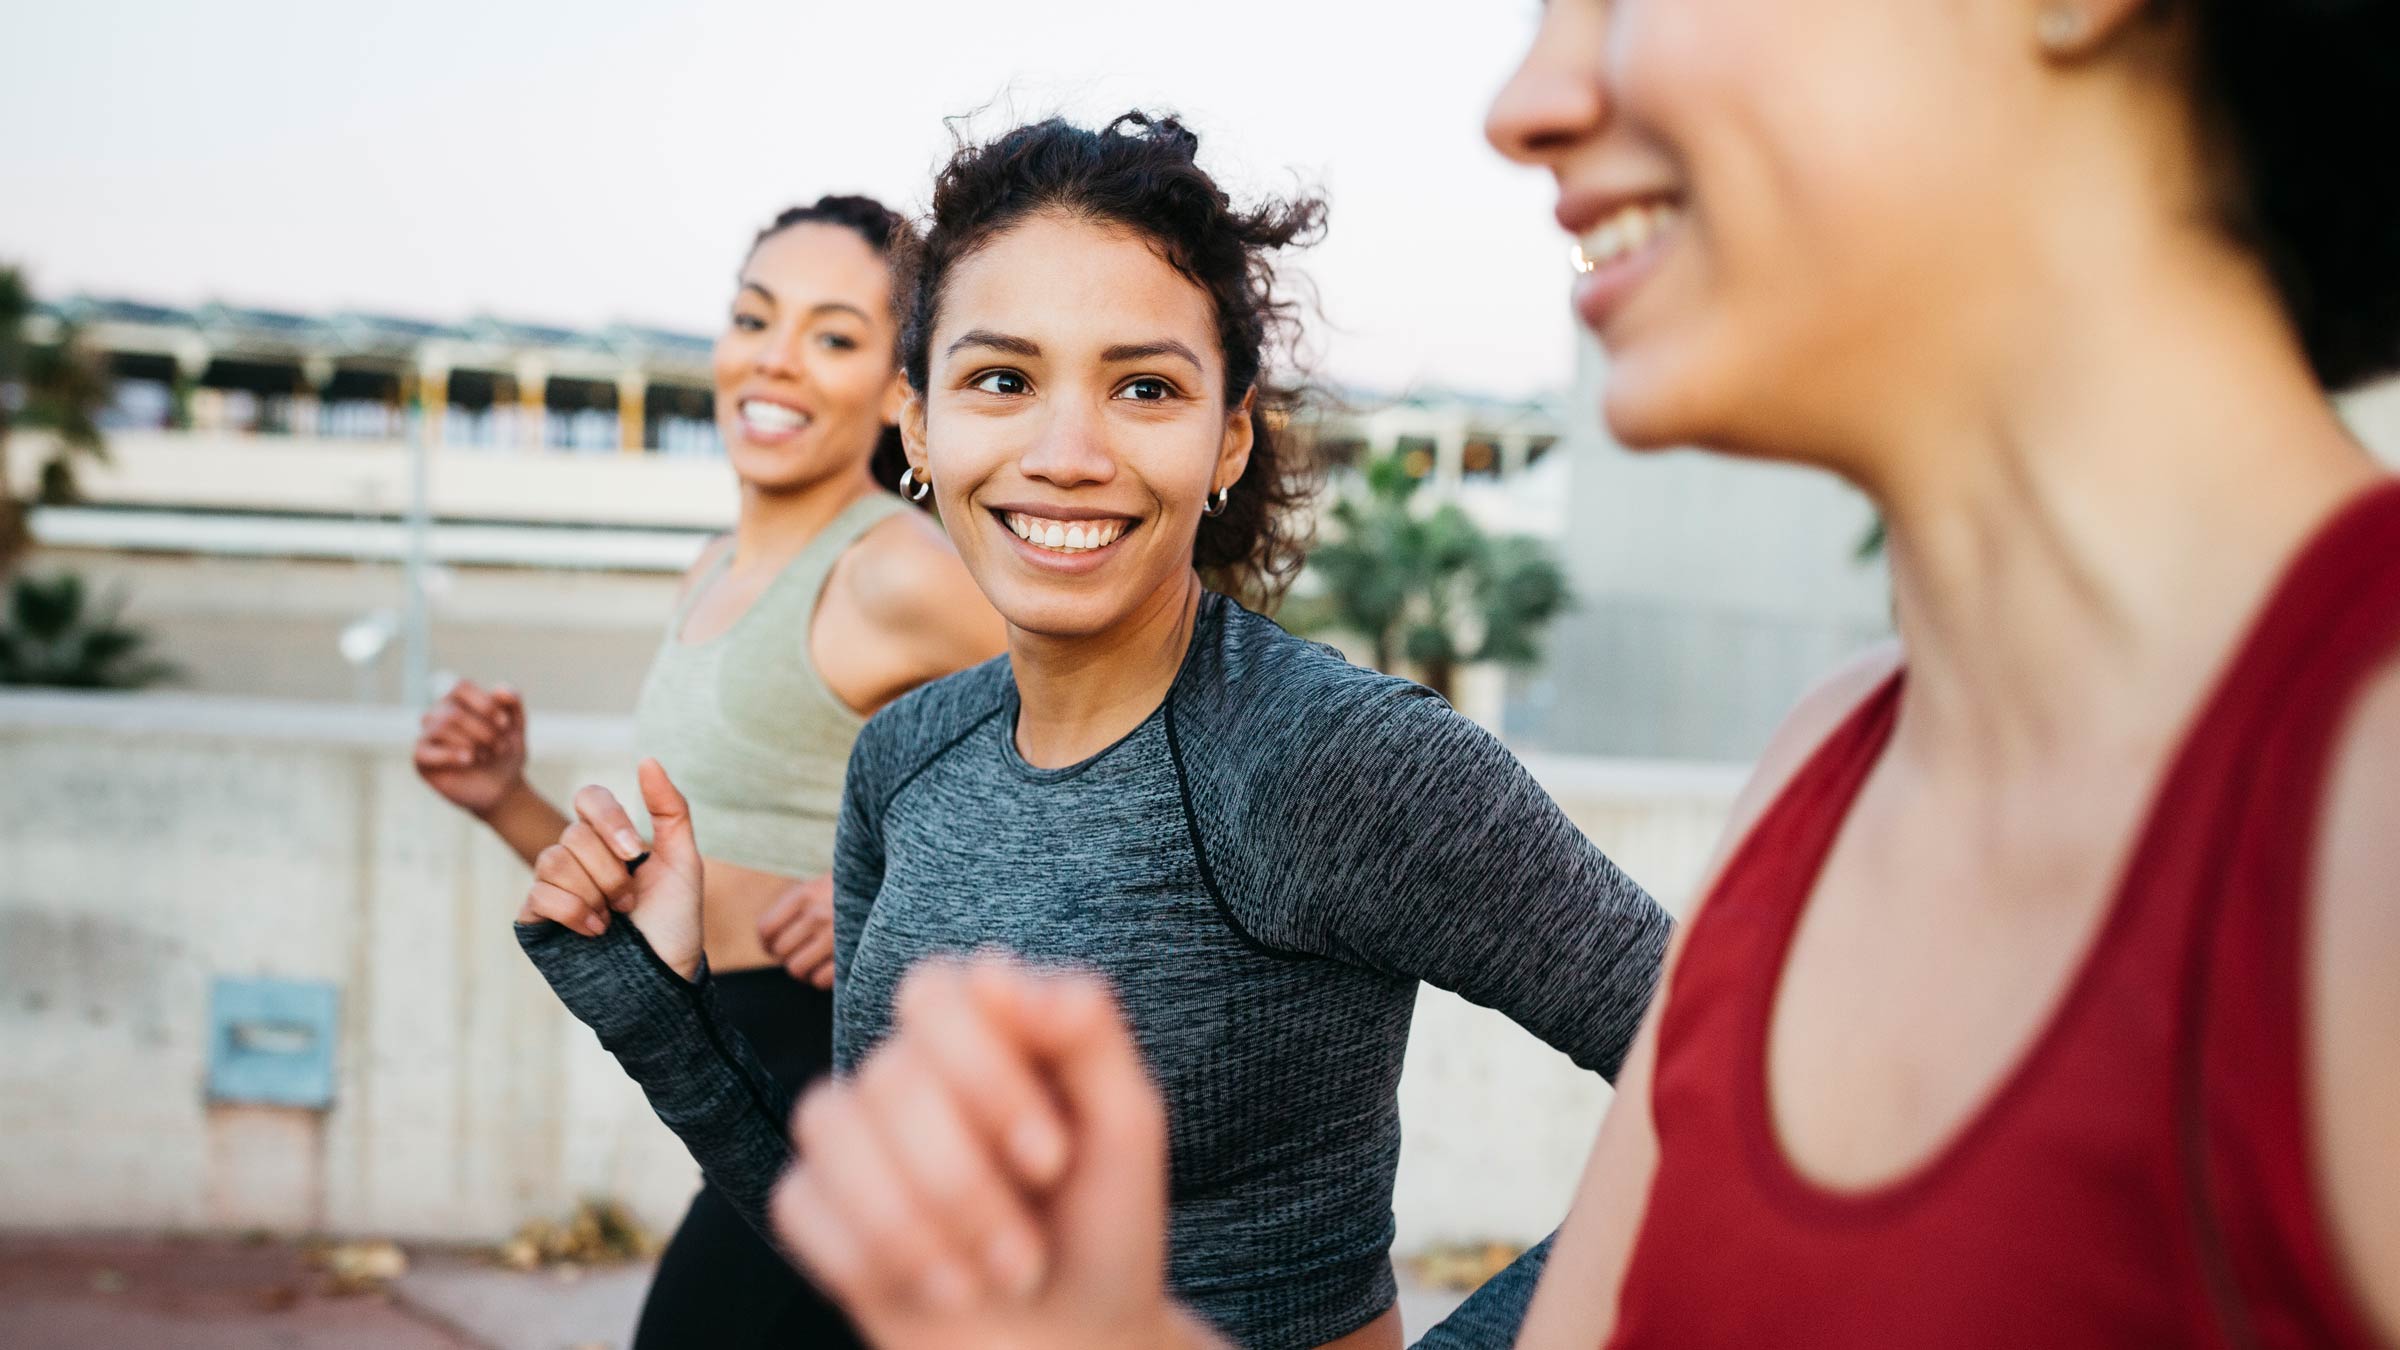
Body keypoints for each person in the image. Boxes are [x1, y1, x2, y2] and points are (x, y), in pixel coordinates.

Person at [759, 2, 2400, 1348]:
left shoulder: (2363, 798)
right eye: (995, 376)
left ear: (1228, 437)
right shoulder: (1829, 777)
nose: (1530, 97)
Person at [510, 113, 1673, 1350]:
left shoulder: (1332, 757)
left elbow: (1725, 1083)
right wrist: (662, 1007)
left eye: (1145, 387)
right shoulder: (903, 761)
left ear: (1229, 434)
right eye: (1003, 381)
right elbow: (870, 1260)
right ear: (919, 426)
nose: (1066, 455)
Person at [412, 193, 1004, 1350]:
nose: (777, 360)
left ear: (899, 390)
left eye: (834, 336)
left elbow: (1112, 741)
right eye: (754, 318)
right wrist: (506, 801)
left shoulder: (896, 569)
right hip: (731, 1056)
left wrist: (909, 901)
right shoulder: (712, 566)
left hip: (846, 1078)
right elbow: (669, 888)